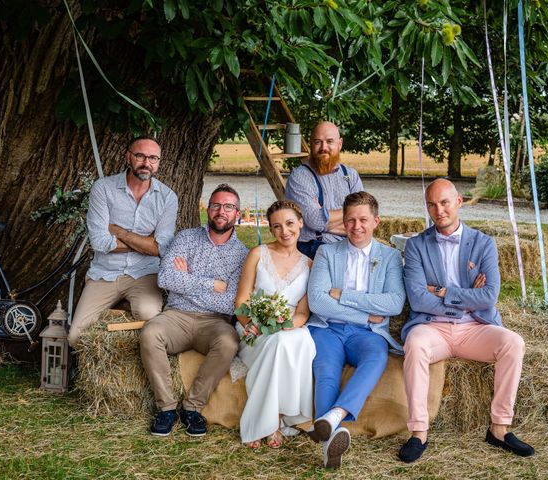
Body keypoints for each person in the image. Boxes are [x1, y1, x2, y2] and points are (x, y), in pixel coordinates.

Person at [398, 178, 534, 463]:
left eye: (445, 203)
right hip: (432, 327)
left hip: (475, 329)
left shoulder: (484, 244)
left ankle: (499, 428)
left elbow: (487, 297)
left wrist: (443, 291)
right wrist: (463, 300)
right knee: (415, 343)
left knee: (513, 343)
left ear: (459, 202)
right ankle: (418, 433)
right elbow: (419, 299)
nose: (439, 210)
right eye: (432, 205)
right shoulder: (416, 246)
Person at [140, 184, 248, 438]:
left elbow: (230, 303)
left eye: (229, 207)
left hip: (214, 322)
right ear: (207, 209)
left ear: (237, 214)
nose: (221, 211)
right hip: (176, 316)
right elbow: (165, 279)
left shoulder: (242, 254)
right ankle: (166, 408)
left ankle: (192, 407)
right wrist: (210, 284)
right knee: (150, 333)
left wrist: (187, 279)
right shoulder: (186, 238)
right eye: (216, 205)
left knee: (228, 342)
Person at [307, 191, 406, 468]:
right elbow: (318, 301)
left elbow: (394, 303)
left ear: (377, 221)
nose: (356, 226)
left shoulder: (389, 257)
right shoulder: (327, 252)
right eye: (350, 220)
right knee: (326, 370)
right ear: (343, 223)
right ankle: (330, 443)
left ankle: (334, 416)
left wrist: (345, 295)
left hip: (367, 337)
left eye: (363, 219)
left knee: (376, 358)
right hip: (329, 328)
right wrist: (366, 316)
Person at [68, 135, 178, 347]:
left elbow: (160, 248)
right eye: (140, 156)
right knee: (75, 338)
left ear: (158, 162)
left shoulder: (167, 197)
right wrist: (145, 243)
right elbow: (100, 242)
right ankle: (121, 306)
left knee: (149, 316)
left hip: (144, 273)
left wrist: (119, 231)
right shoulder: (103, 189)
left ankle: (127, 307)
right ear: (128, 156)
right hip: (105, 273)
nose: (147, 163)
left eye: (153, 158)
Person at [234, 200, 315, 449]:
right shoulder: (258, 254)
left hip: (292, 326)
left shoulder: (310, 265)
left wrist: (288, 324)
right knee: (277, 343)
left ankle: (272, 421)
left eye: (290, 223)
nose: (285, 231)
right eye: (277, 226)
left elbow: (303, 312)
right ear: (271, 229)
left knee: (290, 340)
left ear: (300, 223)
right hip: (253, 324)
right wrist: (254, 324)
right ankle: (271, 423)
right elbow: (241, 301)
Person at [285, 121, 364, 259]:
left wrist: (325, 221)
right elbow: (315, 220)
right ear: (311, 144)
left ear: (339, 144)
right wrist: (352, 212)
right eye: (317, 142)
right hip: (314, 247)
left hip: (350, 244)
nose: (323, 147)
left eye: (329, 141)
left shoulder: (350, 175)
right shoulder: (300, 176)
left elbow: (364, 218)